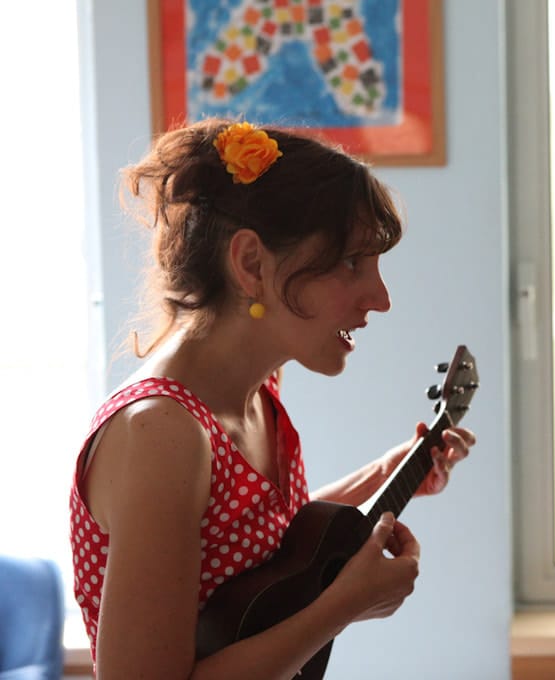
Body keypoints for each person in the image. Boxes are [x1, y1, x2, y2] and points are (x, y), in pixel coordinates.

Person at [68, 119, 476, 678]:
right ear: (252, 265)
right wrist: (342, 607)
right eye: (352, 262)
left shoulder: (257, 392)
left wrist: (384, 474)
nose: (381, 298)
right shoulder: (161, 433)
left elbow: (258, 552)